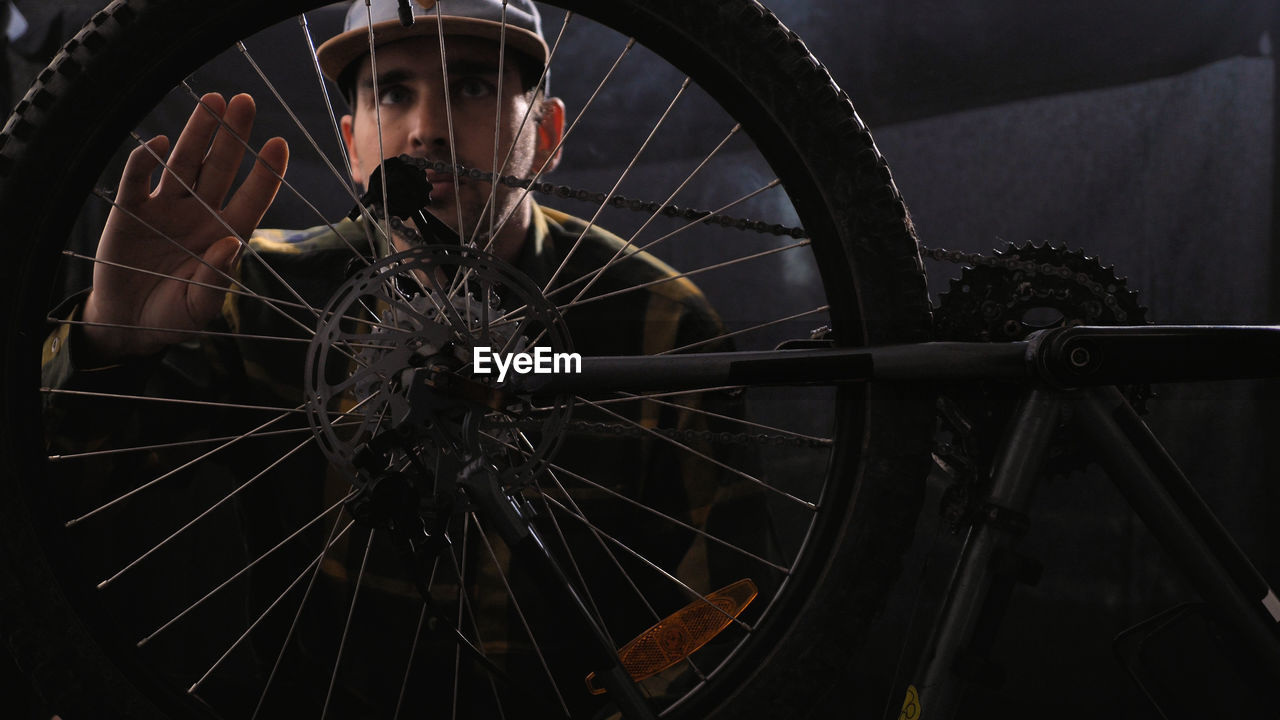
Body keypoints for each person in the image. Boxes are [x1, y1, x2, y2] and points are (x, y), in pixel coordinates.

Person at [42, 0, 769, 716]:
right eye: (394, 92)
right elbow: (52, 492)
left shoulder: (662, 321)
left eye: (475, 86)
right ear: (353, 142)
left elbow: (726, 608)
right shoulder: (256, 292)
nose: (428, 130)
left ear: (546, 134)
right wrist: (111, 338)